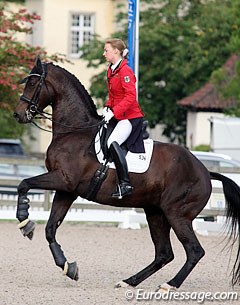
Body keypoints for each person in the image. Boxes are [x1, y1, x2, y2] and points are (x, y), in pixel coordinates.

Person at [102, 38, 144, 199]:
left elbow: (130, 97)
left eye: (106, 50)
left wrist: (114, 112)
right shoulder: (111, 69)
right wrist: (107, 107)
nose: (104, 53)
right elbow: (114, 95)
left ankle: (125, 183)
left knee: (111, 142)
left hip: (129, 117)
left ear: (116, 51)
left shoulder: (125, 71)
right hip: (118, 115)